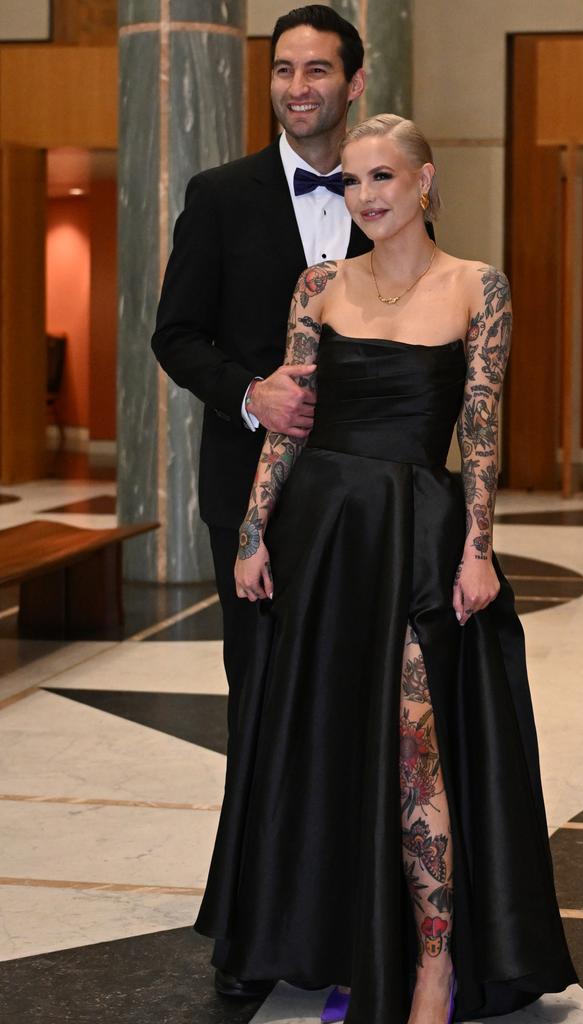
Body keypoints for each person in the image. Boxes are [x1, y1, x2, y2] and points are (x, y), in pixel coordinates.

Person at [194, 114, 577, 1024]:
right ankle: (322, 934)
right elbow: (291, 419)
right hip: (320, 533)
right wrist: (253, 531)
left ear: (424, 182)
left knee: (419, 745)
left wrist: (480, 546)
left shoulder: (477, 285)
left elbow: (480, 431)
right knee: (320, 736)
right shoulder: (318, 285)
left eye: (383, 179)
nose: (366, 196)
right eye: (355, 181)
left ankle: (435, 963)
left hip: (417, 531)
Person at [150, 6, 370, 1001]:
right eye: (283, 69)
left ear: (354, 83)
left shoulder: (387, 198)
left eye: (318, 69)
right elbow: (175, 333)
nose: (298, 87)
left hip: (360, 504)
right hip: (249, 496)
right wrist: (250, 392)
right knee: (265, 709)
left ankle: (345, 923)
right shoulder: (219, 194)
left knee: (349, 708)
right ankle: (250, 932)